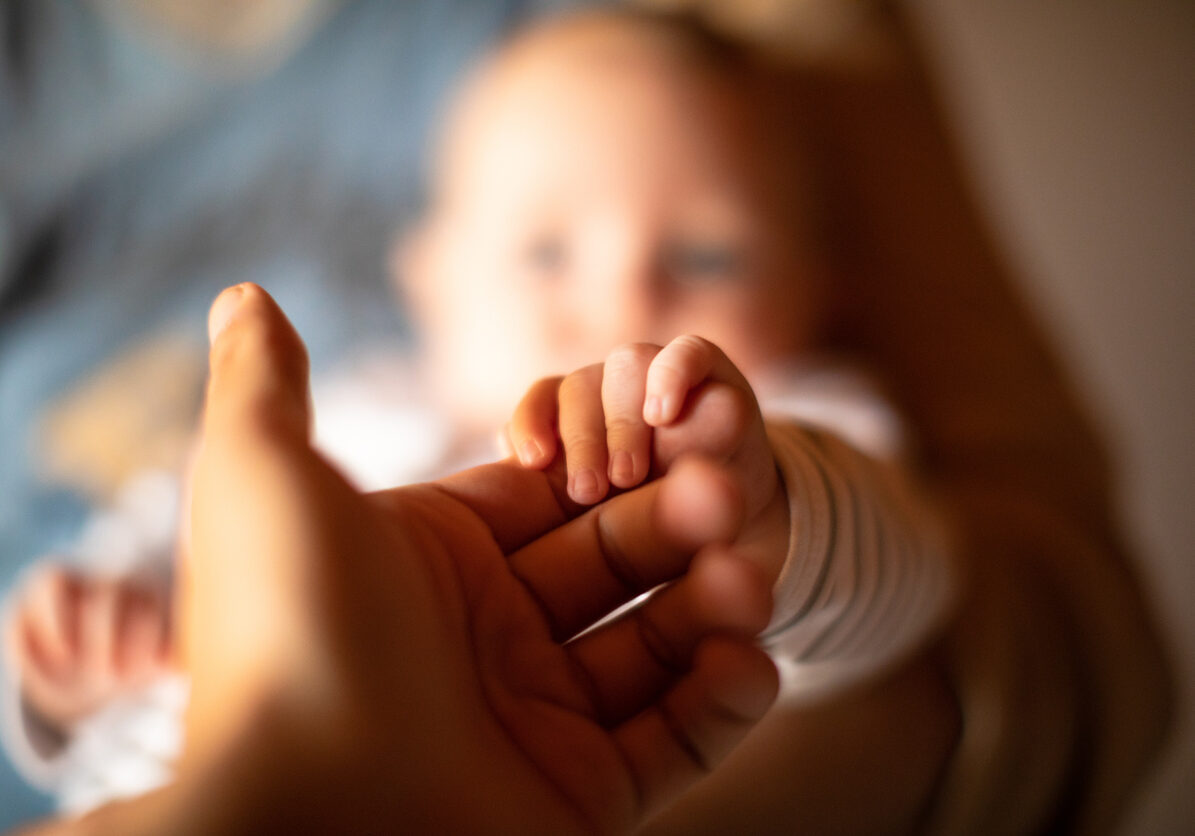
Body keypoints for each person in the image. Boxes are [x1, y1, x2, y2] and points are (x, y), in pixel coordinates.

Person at [14, 282, 781, 835]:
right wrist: (68, 657)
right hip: (136, 766)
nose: (624, 290)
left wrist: (771, 496)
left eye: (704, 257)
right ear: (431, 276)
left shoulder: (762, 421)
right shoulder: (370, 397)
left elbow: (887, 567)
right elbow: (176, 515)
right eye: (546, 252)